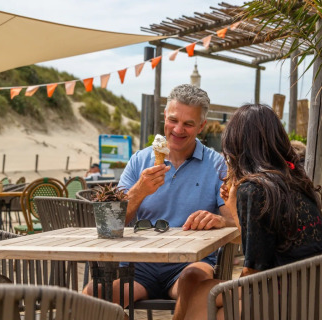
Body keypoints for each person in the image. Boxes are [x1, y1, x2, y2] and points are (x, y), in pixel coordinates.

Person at [82, 84, 235, 318]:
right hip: (139, 265)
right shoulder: (139, 160)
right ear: (165, 116)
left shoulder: (217, 164)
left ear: (202, 126)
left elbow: (234, 222)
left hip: (191, 263)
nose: (178, 129)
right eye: (173, 120)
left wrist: (219, 220)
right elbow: (112, 223)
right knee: (92, 295)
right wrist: (139, 191)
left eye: (188, 124)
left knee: (194, 281)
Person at [174, 104, 322, 320]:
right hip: (318, 291)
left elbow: (253, 267)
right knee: (199, 292)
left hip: (284, 298)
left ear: (237, 144)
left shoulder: (254, 189)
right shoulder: (294, 180)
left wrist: (233, 206)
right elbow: (263, 241)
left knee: (200, 297)